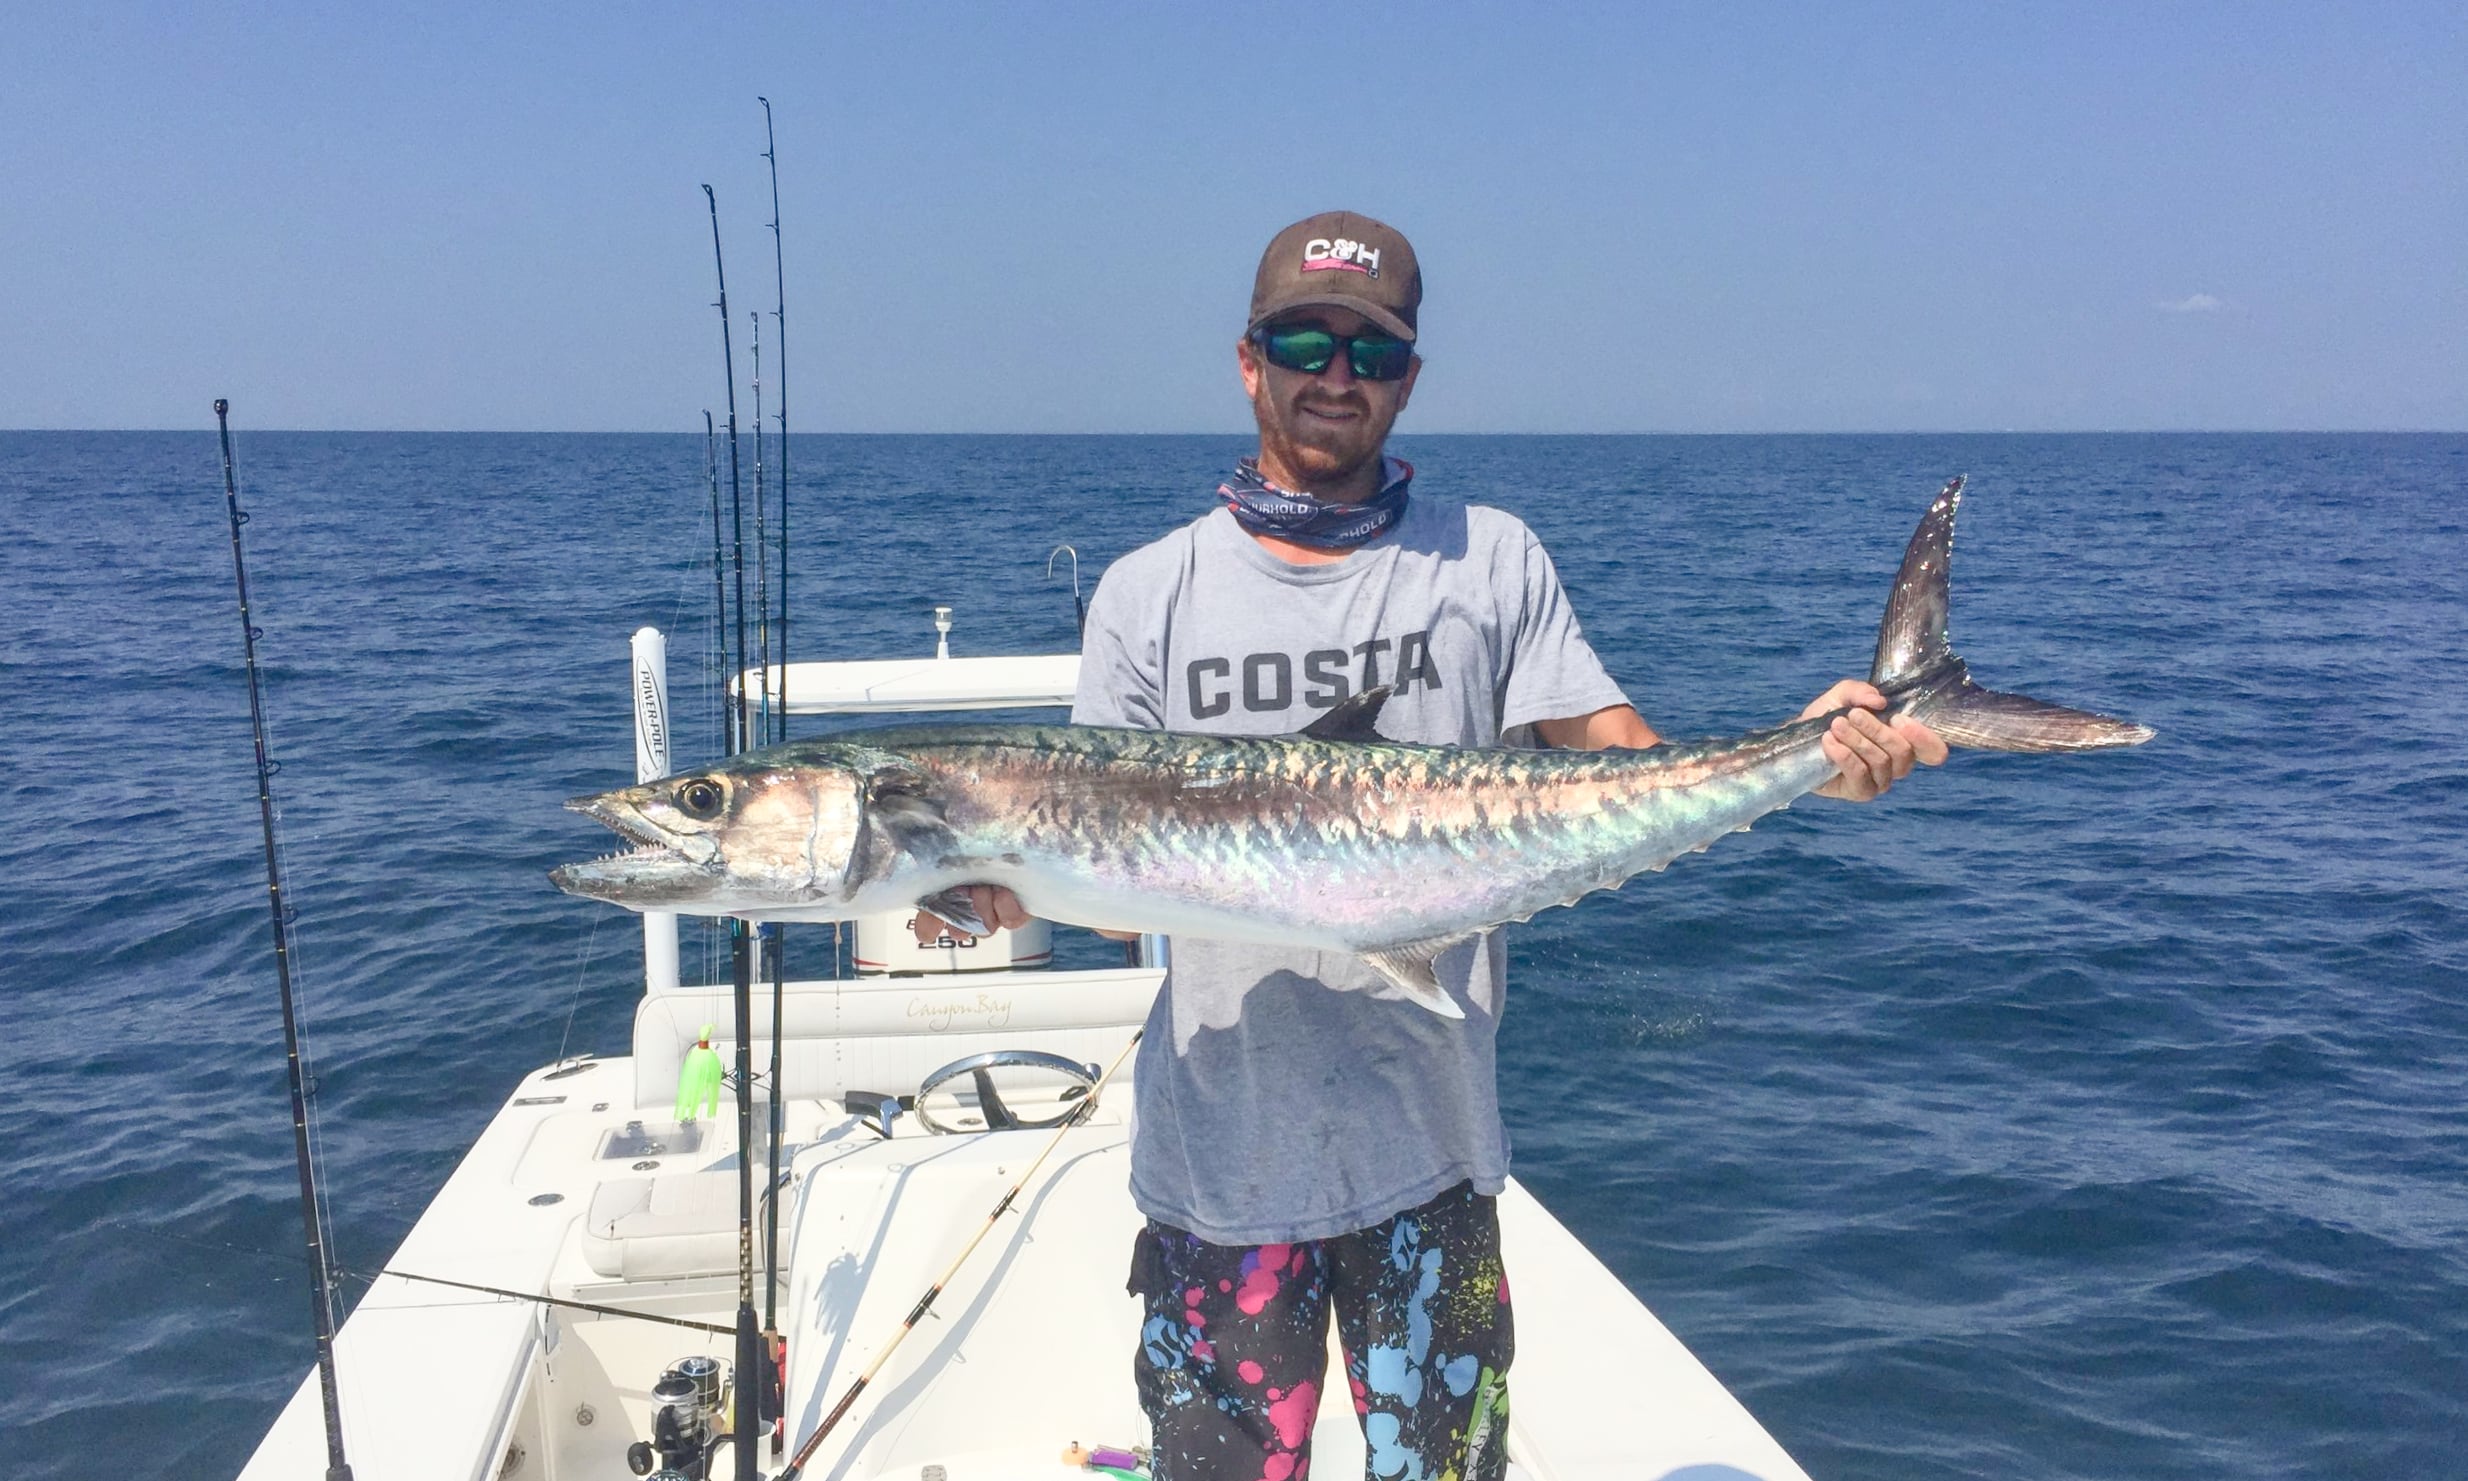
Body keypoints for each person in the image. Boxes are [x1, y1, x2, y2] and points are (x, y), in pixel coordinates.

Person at [927, 211, 1945, 1481]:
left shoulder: (1490, 559)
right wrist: (992, 897)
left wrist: (1803, 759)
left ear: (1408, 378)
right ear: (1249, 359)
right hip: (1218, 1167)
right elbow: (1120, 895)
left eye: (1370, 350)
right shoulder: (1149, 593)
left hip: (1430, 1155)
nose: (1335, 375)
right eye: (1305, 340)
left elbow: (1619, 751)